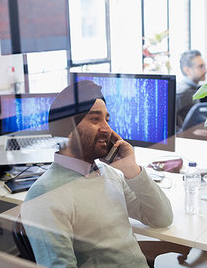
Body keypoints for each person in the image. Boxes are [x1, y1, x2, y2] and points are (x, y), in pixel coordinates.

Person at [21, 80, 173, 267]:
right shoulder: (44, 194)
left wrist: (131, 169)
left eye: (107, 120)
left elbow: (161, 218)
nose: (108, 129)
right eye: (95, 119)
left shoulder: (109, 174)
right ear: (66, 128)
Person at [176, 49, 207, 129]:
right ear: (187, 70)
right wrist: (192, 133)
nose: (205, 70)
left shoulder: (193, 89)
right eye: (201, 66)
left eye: (205, 66)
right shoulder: (183, 92)